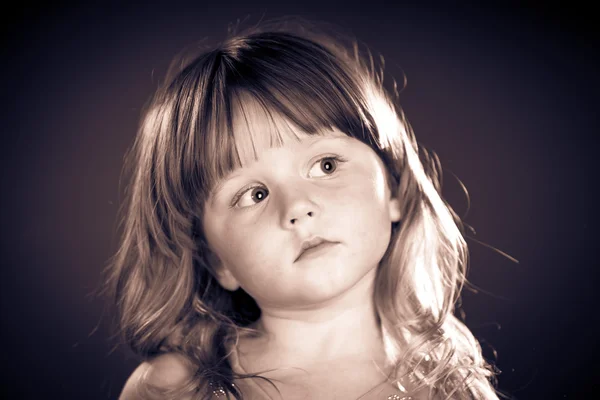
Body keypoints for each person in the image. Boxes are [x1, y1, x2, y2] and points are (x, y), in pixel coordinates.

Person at [107, 18, 503, 400]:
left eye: (326, 165)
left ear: (393, 186)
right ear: (215, 259)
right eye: (254, 194)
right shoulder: (173, 389)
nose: (297, 208)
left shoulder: (448, 383)